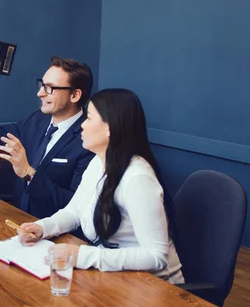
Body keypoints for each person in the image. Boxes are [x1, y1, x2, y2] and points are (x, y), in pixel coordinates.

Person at [17, 89, 184, 283]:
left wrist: (83, 255)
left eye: (88, 119)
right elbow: (74, 211)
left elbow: (156, 256)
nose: (82, 126)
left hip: (154, 288)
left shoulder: (137, 178)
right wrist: (42, 227)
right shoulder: (98, 162)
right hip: (116, 276)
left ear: (109, 129)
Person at [0, 56, 95, 218]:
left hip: (59, 234)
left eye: (50, 88)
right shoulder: (37, 120)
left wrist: (28, 172)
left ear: (75, 95)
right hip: (20, 222)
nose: (40, 93)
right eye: (41, 85)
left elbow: (74, 203)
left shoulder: (91, 138)